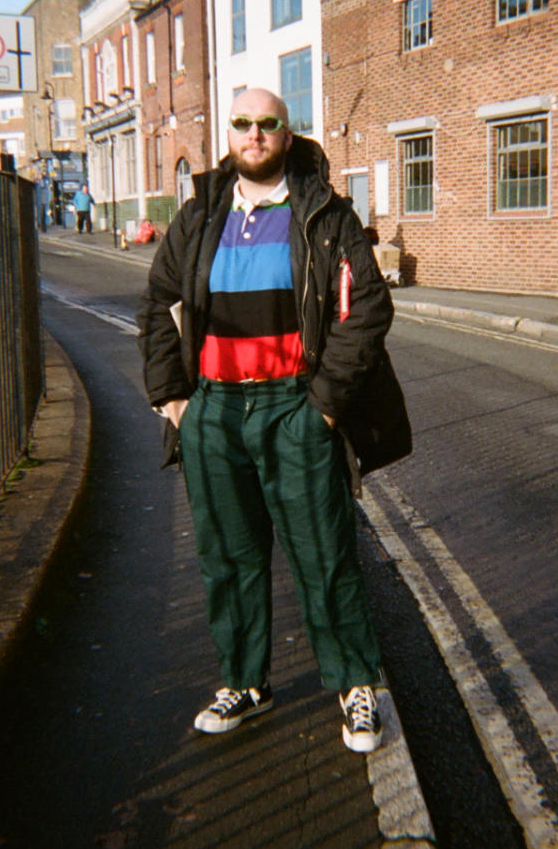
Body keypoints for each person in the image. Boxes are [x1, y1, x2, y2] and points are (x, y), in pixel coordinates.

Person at [137, 87, 410, 753]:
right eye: (243, 124)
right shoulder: (201, 213)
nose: (254, 135)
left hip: (294, 406)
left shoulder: (324, 212)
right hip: (215, 411)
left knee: (324, 553)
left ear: (287, 135)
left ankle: (354, 686)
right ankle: (245, 681)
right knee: (228, 557)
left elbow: (367, 310)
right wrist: (174, 401)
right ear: (228, 134)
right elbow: (157, 302)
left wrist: (322, 407)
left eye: (268, 125)